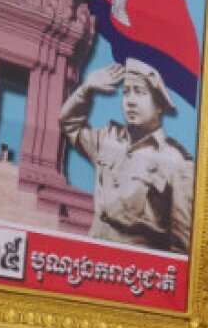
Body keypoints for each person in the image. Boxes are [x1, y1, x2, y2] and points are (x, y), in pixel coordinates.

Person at [59, 58, 194, 254]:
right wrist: (86, 88)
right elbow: (69, 123)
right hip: (90, 261)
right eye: (126, 92)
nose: (130, 101)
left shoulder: (177, 162)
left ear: (159, 105)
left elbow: (182, 247)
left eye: (139, 92)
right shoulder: (108, 139)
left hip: (132, 273)